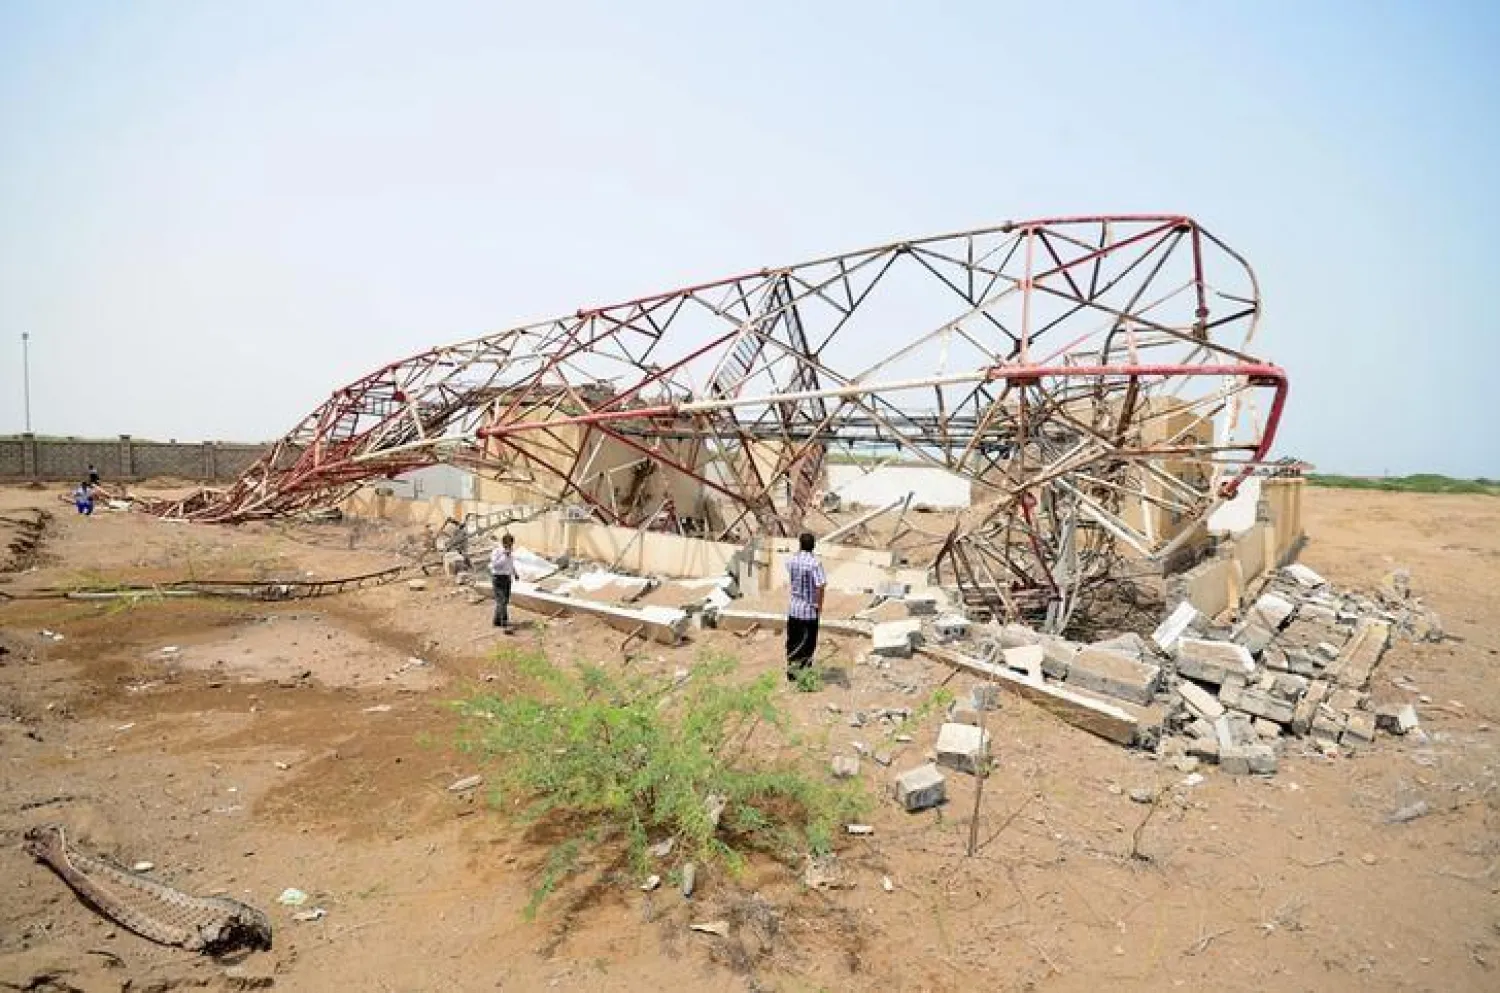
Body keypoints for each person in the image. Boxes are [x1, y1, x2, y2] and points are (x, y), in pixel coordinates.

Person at [785, 531, 826, 681]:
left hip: (794, 608)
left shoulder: (792, 561)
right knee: (808, 644)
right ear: (813, 546)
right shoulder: (815, 564)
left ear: (800, 544)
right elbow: (821, 585)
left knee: (793, 641)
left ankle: (791, 673)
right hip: (809, 610)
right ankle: (804, 674)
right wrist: (819, 606)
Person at [489, 533, 517, 631]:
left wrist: (515, 573)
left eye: (511, 545)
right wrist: (504, 556)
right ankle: (503, 621)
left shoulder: (510, 552)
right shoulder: (497, 552)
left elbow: (510, 564)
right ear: (504, 543)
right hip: (498, 578)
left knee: (504, 601)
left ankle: (496, 620)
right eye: (508, 544)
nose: (510, 546)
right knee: (502, 600)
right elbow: (494, 565)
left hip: (507, 578)